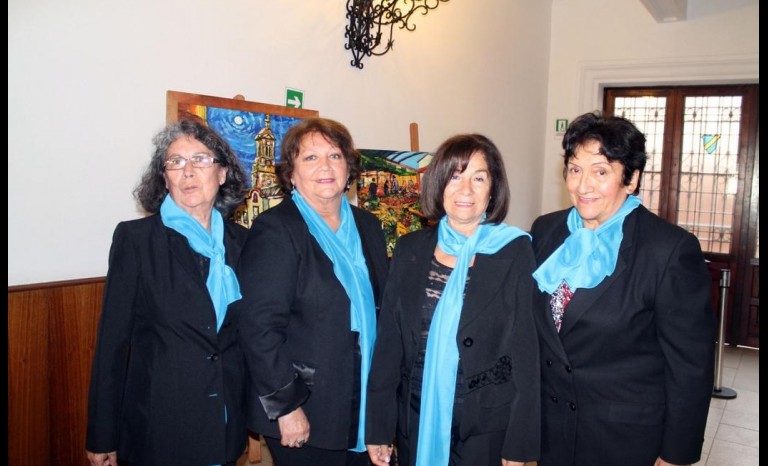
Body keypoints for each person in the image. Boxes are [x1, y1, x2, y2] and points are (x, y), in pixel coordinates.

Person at [530, 112, 715, 466]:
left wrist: (676, 454)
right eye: (574, 169)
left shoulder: (668, 249)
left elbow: (691, 365)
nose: (583, 186)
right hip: (550, 432)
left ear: (631, 179)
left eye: (601, 171)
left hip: (624, 439)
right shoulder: (545, 231)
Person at [365, 134, 540, 466]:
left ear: (493, 188)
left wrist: (519, 444)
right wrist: (378, 428)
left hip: (487, 421)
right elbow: (389, 344)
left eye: (479, 177)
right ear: (438, 183)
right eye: (455, 176)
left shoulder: (515, 250)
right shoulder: (410, 249)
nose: (466, 190)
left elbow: (526, 352)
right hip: (416, 412)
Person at [85, 119, 250, 466]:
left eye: (200, 160)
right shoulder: (137, 241)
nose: (188, 171)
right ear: (165, 179)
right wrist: (102, 435)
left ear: (222, 174)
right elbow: (112, 344)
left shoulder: (243, 243)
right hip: (160, 428)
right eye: (175, 162)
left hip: (224, 421)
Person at [235, 117, 389, 466]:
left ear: (349, 168)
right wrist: (287, 406)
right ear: (291, 173)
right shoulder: (275, 231)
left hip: (361, 402)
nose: (325, 166)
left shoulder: (368, 226)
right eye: (310, 158)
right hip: (304, 407)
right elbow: (258, 329)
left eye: (334, 156)